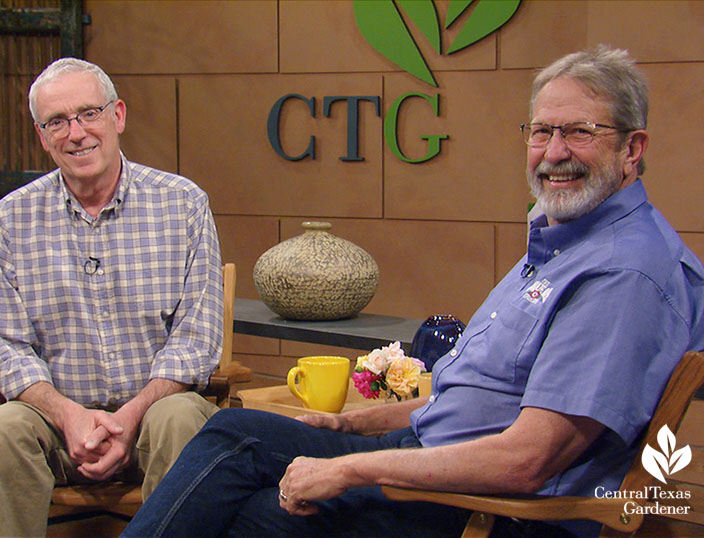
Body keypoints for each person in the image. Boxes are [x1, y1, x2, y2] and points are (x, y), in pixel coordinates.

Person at [122, 45, 704, 538]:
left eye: (580, 132)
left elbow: (528, 459)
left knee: (233, 477)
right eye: (543, 130)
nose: (554, 152)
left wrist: (350, 470)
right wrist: (350, 427)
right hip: (429, 460)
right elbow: (480, 405)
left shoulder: (620, 276)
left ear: (632, 149)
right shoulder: (568, 242)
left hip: (462, 502)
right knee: (236, 446)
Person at [0, 58, 224, 537]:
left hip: (152, 418)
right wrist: (70, 417)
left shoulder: (183, 204)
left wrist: (127, 417)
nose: (76, 132)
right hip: (54, 425)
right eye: (57, 122)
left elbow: (195, 342)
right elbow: (6, 347)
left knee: (183, 416)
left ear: (117, 116)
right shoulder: (10, 220)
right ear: (42, 136)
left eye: (88, 114)